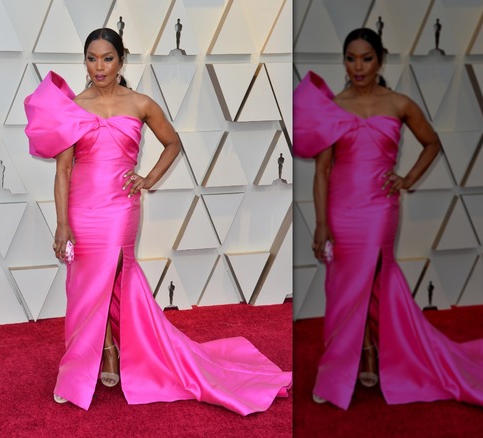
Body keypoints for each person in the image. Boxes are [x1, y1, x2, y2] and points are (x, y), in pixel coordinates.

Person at [24, 27, 291, 416]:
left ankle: (114, 353)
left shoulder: (141, 103)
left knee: (113, 274)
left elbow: (173, 143)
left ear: (122, 60)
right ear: (85, 61)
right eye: (92, 58)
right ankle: (96, 358)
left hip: (120, 206)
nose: (99, 66)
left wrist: (148, 178)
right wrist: (62, 223)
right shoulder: (73, 106)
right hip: (82, 208)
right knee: (83, 287)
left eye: (107, 58)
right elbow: (63, 171)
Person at [293, 27, 483, 415]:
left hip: (379, 208)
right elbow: (322, 172)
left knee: (374, 278)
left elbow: (433, 143)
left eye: (366, 58)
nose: (358, 66)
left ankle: (375, 357)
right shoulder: (333, 106)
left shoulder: (399, 103)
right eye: (350, 58)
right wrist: (322, 224)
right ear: (344, 62)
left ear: (380, 60)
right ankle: (356, 360)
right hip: (342, 212)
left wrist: (406, 179)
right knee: (346, 290)